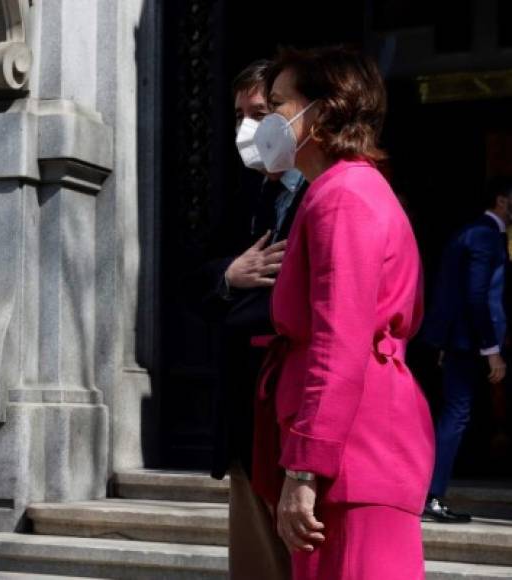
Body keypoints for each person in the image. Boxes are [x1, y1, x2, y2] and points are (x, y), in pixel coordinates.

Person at [250, 46, 434, 579]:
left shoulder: (343, 196)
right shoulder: (341, 189)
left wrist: (304, 468)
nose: (265, 121)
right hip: (358, 445)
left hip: (353, 451)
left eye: (279, 105)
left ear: (323, 111)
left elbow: (339, 341)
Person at [204, 59, 307, 580]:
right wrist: (230, 273)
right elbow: (193, 274)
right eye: (240, 114)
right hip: (245, 415)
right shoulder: (245, 190)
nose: (249, 128)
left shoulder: (325, 191)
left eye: (262, 112)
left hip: (292, 413)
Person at [420, 176, 512, 523]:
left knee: (454, 414)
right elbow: (476, 296)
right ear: (502, 201)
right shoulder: (485, 237)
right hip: (471, 343)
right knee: (456, 415)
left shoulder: (468, 233)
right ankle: (433, 494)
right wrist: (492, 349)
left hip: (457, 340)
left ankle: (431, 492)